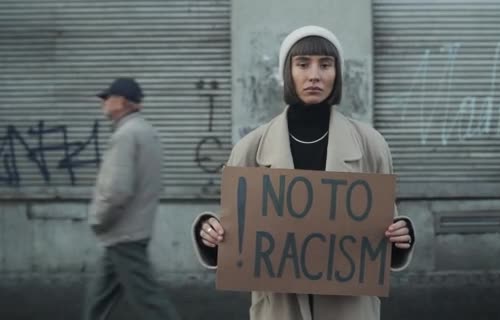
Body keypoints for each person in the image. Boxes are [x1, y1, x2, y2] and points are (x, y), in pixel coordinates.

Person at [192, 26, 415, 320]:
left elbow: (382, 236)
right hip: (279, 308)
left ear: (336, 74)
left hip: (348, 308)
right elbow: (236, 241)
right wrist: (209, 233)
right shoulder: (250, 147)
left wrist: (401, 236)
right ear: (288, 72)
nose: (314, 75)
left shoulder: (371, 145)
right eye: (303, 64)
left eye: (325, 65)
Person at [84, 77, 181, 320]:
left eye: (107, 98)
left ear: (122, 102)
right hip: (130, 230)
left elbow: (117, 190)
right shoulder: (147, 132)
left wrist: (98, 219)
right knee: (98, 298)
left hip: (124, 232)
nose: (103, 103)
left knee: (150, 301)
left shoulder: (126, 136)